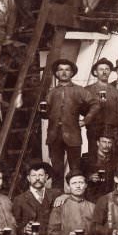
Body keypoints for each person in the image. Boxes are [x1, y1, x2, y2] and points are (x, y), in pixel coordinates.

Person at [44, 58, 100, 188]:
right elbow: (46, 114)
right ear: (56, 73)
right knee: (56, 170)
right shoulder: (51, 92)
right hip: (54, 136)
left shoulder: (79, 90)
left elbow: (95, 104)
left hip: (73, 135)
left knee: (75, 170)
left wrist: (86, 120)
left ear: (72, 73)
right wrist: (43, 111)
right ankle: (57, 199)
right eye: (60, 70)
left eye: (67, 70)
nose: (64, 72)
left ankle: (77, 196)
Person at [85, 57, 118, 152]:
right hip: (94, 129)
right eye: (101, 69)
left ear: (110, 72)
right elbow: (82, 110)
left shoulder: (115, 91)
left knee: (111, 158)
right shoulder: (87, 90)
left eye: (107, 69)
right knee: (94, 157)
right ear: (95, 72)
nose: (104, 72)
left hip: (112, 130)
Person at [79, 128, 118, 202]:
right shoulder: (86, 158)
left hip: (109, 196)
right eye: (104, 142)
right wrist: (89, 177)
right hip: (90, 196)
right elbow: (78, 176)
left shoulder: (115, 160)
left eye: (109, 142)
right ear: (98, 143)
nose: (106, 145)